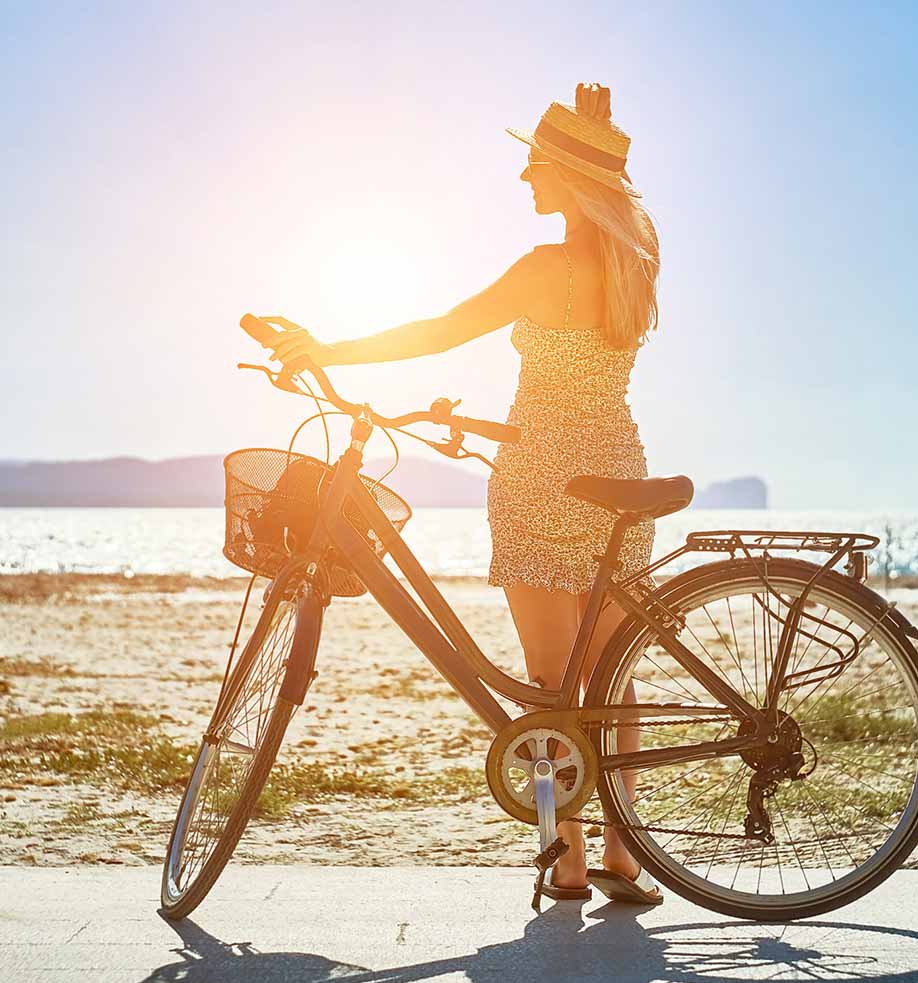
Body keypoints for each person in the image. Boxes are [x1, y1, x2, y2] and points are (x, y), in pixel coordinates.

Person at [269, 82, 663, 905]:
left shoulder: (544, 269)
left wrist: (330, 350)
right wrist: (592, 133)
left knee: (550, 679)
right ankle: (627, 851)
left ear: (567, 176)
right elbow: (584, 380)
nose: (524, 177)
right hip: (616, 466)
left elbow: (442, 330)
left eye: (536, 164)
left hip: (542, 478)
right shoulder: (635, 264)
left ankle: (566, 856)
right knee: (613, 673)